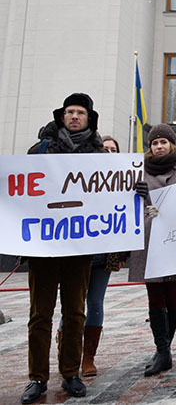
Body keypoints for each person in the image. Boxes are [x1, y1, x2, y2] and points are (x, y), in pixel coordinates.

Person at [21, 93, 109, 404]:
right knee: (39, 316)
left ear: (88, 118)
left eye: (80, 113)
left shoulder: (99, 155)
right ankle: (37, 378)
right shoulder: (40, 150)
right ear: (62, 116)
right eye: (69, 112)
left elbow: (112, 193)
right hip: (44, 248)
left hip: (80, 247)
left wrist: (133, 190)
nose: (74, 117)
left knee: (75, 313)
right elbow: (20, 190)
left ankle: (71, 372)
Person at [128, 124, 176, 377]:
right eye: (154, 143)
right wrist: (140, 196)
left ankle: (165, 348)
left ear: (172, 144)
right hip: (148, 239)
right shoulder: (137, 171)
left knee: (172, 290)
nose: (158, 147)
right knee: (154, 293)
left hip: (175, 238)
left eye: (163, 142)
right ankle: (163, 350)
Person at [59, 135, 128, 379]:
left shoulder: (122, 181)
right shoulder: (81, 174)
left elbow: (126, 219)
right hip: (77, 253)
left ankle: (88, 357)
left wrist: (123, 253)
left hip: (104, 255)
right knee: (72, 304)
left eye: (114, 149)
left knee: (95, 303)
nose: (109, 153)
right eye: (105, 148)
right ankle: (66, 353)